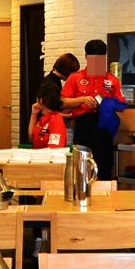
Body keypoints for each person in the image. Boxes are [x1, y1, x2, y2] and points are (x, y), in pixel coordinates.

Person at [61, 39, 123, 172]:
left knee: (105, 167)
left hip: (105, 126)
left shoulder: (112, 80)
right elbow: (63, 102)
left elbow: (121, 105)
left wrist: (108, 103)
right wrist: (81, 100)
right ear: (86, 57)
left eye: (100, 60)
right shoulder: (75, 78)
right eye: (93, 60)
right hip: (84, 126)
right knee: (82, 167)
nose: (96, 64)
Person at [29, 53, 79, 149]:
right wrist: (70, 115)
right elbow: (53, 108)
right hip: (47, 125)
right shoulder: (52, 84)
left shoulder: (51, 80)